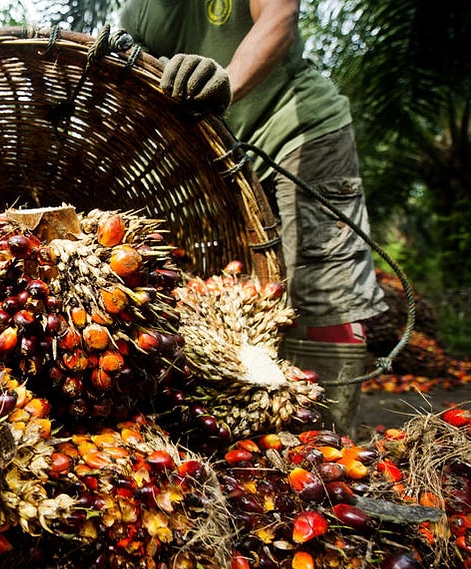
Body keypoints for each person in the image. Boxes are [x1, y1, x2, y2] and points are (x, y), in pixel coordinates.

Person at [119, 0, 388, 436]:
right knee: (248, 299)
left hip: (299, 132)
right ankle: (277, 428)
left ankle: (333, 442)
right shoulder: (139, 14)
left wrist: (227, 81)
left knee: (322, 288)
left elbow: (279, 17)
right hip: (228, 158)